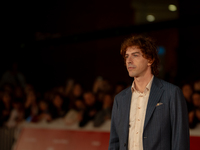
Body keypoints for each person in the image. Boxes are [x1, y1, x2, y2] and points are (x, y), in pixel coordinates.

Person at [109, 35, 190, 150]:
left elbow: (180, 140)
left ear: (150, 60)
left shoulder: (171, 93)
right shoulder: (120, 99)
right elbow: (115, 142)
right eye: (127, 56)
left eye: (135, 55)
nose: (129, 61)